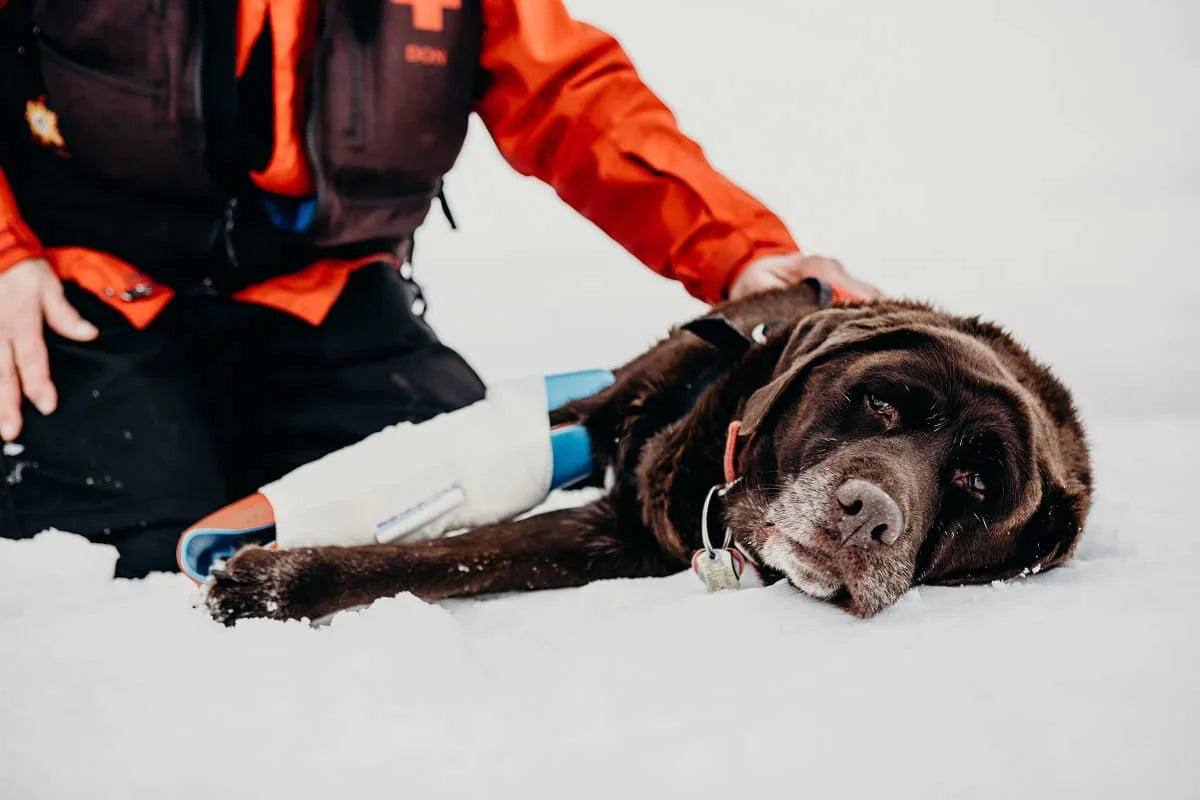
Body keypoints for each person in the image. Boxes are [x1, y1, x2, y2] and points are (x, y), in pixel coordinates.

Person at [0, 0, 879, 578]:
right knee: (122, 553)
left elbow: (575, 100)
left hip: (323, 294)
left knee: (451, 526)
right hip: (76, 288)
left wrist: (743, 257)